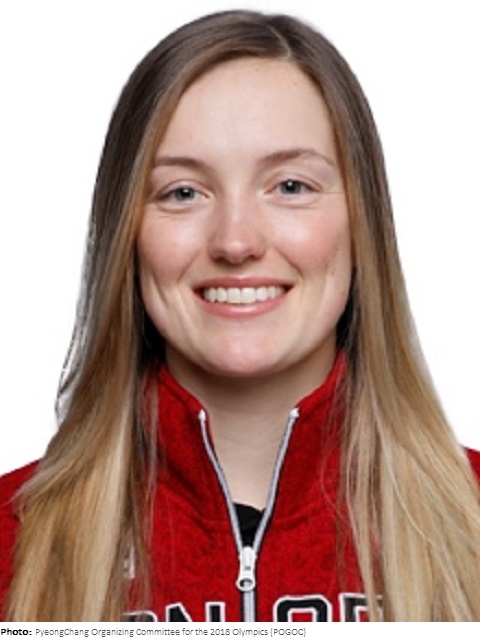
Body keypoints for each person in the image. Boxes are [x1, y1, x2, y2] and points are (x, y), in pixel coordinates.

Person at [1, 10, 479, 622]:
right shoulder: (10, 539)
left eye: (290, 187)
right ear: (128, 232)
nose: (235, 241)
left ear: (363, 222)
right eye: (183, 192)